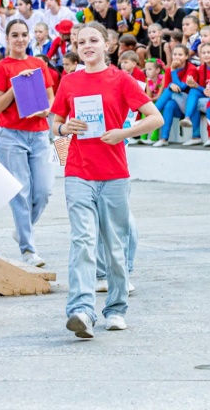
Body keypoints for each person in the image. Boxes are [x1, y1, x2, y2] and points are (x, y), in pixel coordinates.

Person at [50, 21, 162, 338]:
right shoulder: (69, 81)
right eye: (81, 42)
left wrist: (124, 133)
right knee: (83, 241)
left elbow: (155, 118)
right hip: (78, 172)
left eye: (93, 40)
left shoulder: (121, 79)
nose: (87, 46)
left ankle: (115, 309)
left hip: (114, 174)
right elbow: (55, 125)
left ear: (107, 45)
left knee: (115, 246)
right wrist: (64, 129)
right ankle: (81, 311)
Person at [0, 20, 55, 267]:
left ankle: (22, 228)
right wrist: (15, 86)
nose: (20, 39)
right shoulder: (2, 67)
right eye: (15, 35)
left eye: (24, 35)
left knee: (44, 191)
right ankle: (28, 249)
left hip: (39, 133)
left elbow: (50, 97)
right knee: (21, 192)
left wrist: (45, 110)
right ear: (7, 38)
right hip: (11, 134)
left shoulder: (39, 63)